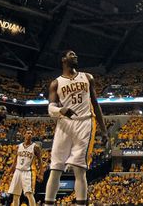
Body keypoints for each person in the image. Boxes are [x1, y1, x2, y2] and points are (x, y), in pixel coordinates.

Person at [45, 50, 109, 206]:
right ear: (63, 59)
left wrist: (104, 129)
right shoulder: (56, 83)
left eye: (75, 55)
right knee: (55, 168)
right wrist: (61, 110)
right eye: (71, 54)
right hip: (64, 124)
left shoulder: (87, 77)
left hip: (84, 123)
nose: (75, 56)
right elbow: (50, 108)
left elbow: (96, 103)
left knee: (79, 170)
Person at [8, 129, 44, 206]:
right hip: (18, 171)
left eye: (31, 133)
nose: (30, 134)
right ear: (24, 134)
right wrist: (11, 169)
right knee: (16, 195)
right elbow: (15, 159)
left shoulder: (35, 147)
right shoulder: (18, 146)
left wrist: (41, 174)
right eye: (28, 133)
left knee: (29, 193)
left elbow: (40, 161)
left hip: (28, 171)